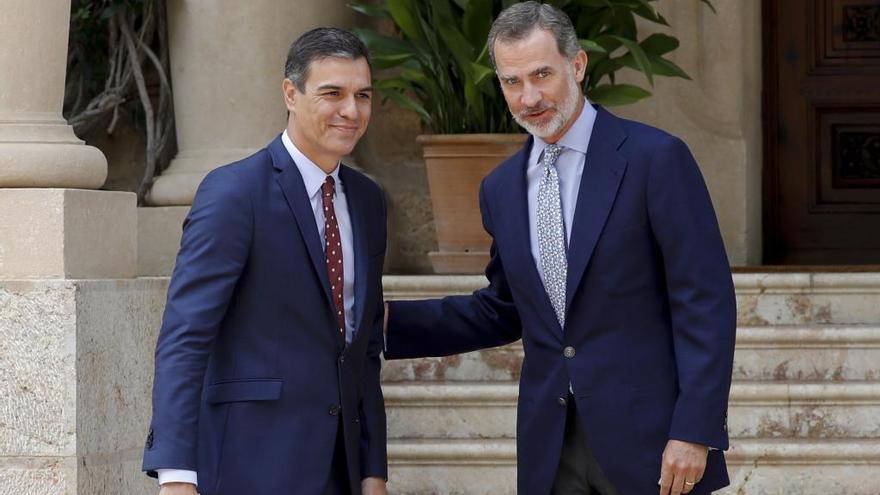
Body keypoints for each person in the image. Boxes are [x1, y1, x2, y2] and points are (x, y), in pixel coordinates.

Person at [383, 3, 736, 495]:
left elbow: (705, 300)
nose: (528, 97)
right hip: (551, 450)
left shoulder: (655, 160)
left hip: (652, 445)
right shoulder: (500, 188)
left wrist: (694, 430)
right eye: (511, 81)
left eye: (541, 74)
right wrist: (380, 324)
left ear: (577, 65)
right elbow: (505, 309)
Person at [142, 27, 388, 495]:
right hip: (249, 466)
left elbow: (363, 348)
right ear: (290, 93)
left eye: (363, 95)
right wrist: (175, 475)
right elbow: (185, 337)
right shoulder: (234, 192)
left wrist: (373, 469)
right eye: (332, 93)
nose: (351, 111)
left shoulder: (368, 201)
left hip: (343, 471)